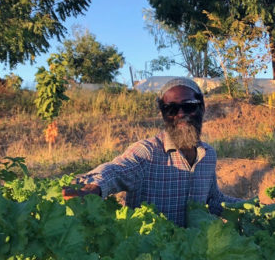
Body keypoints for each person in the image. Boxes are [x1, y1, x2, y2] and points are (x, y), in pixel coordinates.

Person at [62, 77, 242, 226]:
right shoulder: (147, 152)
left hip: (192, 257)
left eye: (188, 106)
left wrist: (257, 209)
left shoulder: (208, 155)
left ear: (201, 107)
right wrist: (92, 187)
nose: (180, 114)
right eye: (170, 109)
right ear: (163, 114)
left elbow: (213, 199)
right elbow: (116, 170)